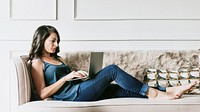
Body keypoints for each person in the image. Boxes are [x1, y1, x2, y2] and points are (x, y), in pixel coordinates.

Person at [28, 25, 196, 101]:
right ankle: (154, 94)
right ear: (42, 40)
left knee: (124, 89)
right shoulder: (37, 62)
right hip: (72, 96)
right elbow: (43, 93)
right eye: (53, 41)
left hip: (79, 88)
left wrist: (80, 75)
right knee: (112, 70)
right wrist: (66, 78)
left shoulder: (58, 59)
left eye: (57, 41)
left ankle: (170, 90)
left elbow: (70, 79)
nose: (56, 44)